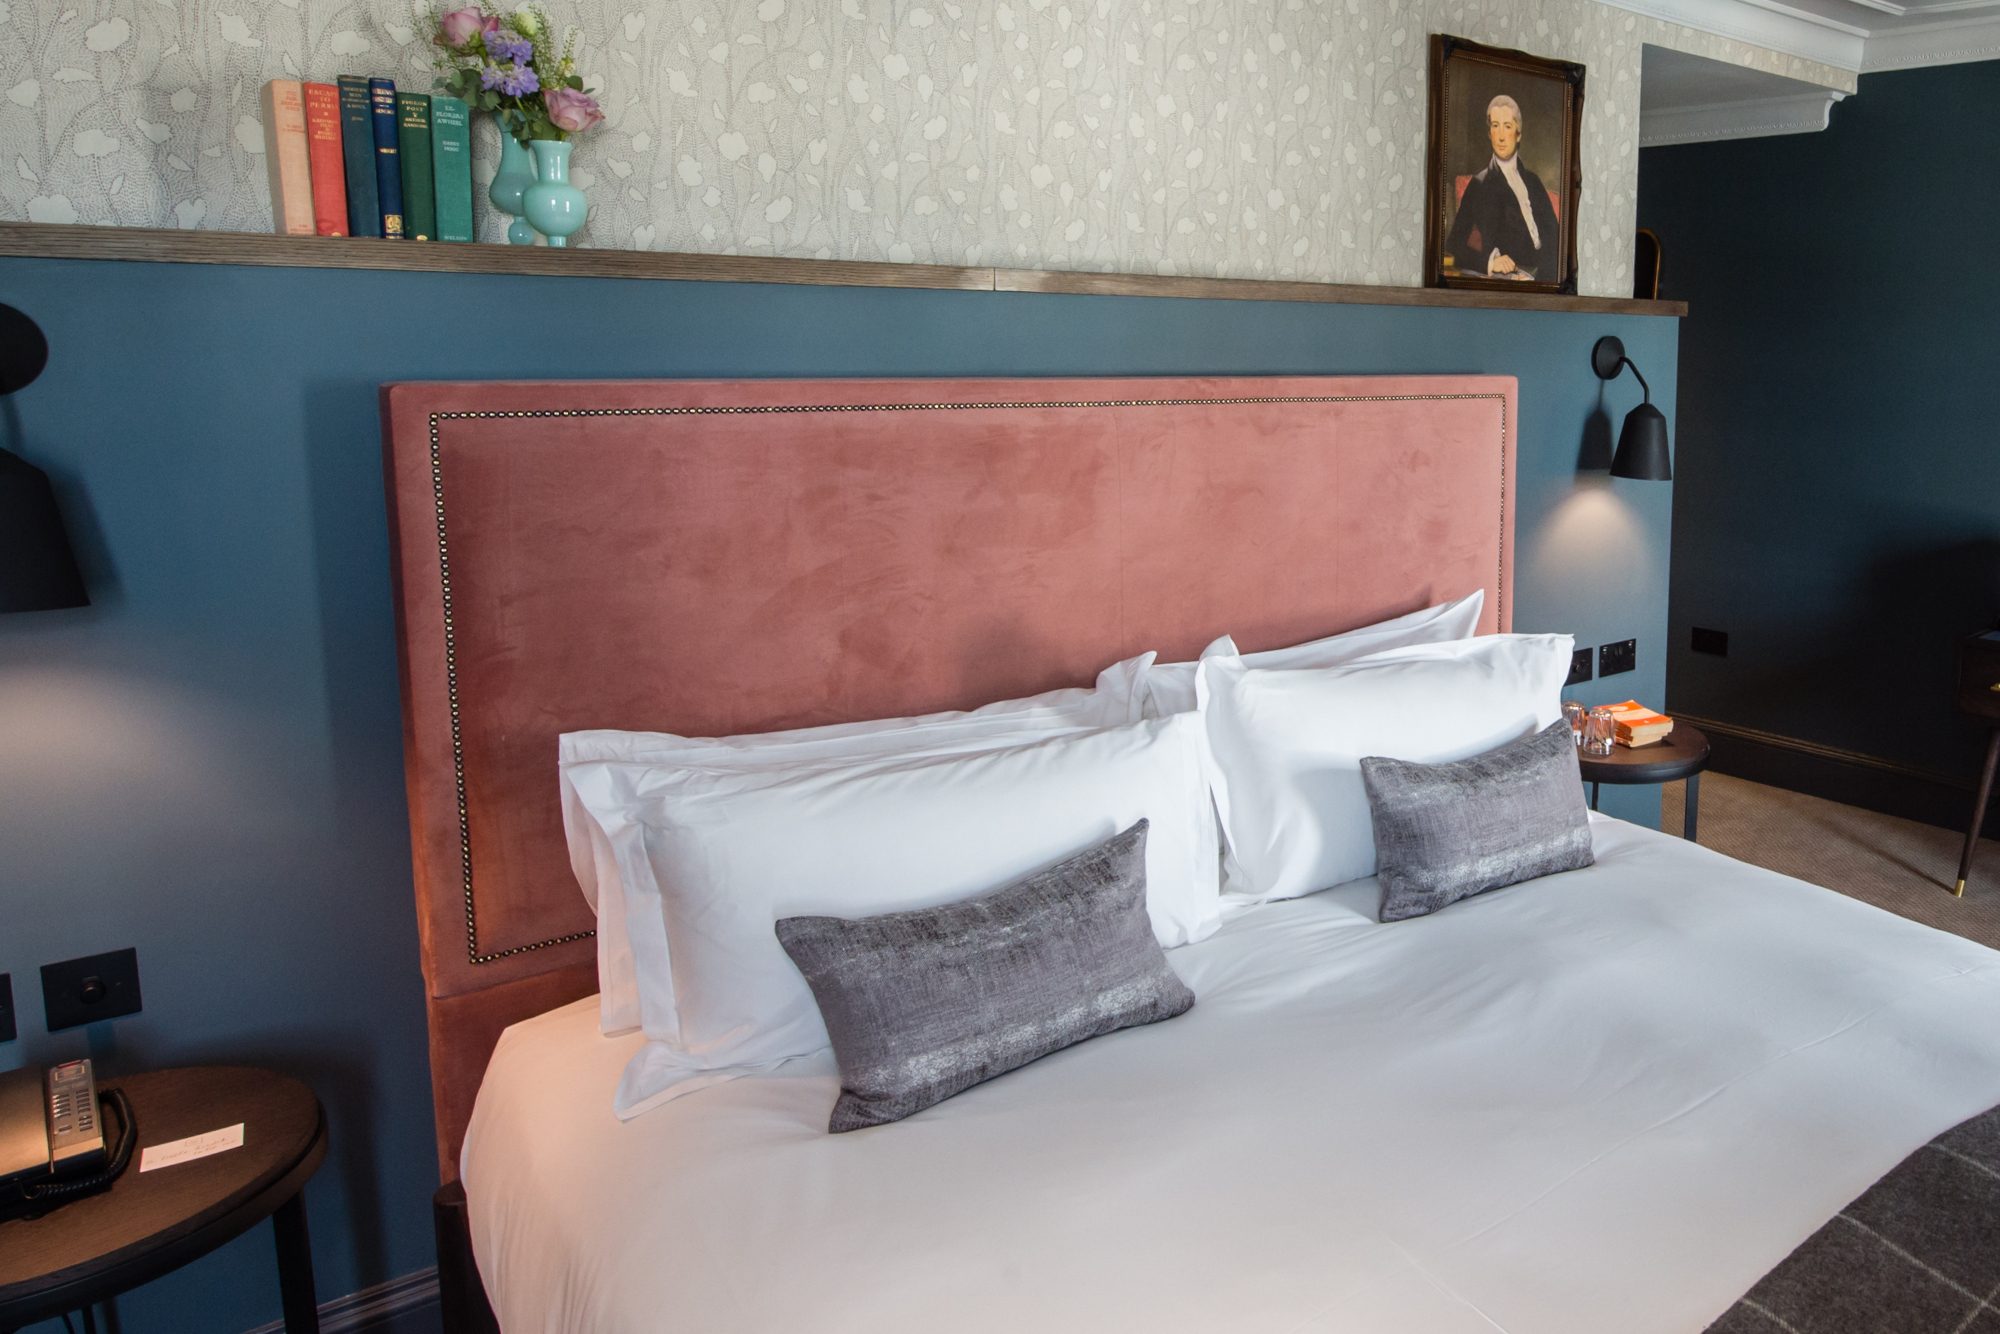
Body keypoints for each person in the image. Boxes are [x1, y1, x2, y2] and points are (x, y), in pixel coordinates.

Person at [1445, 94, 1560, 281]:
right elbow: (1453, 245)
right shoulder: (1479, 184)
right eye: (1495, 126)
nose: (1500, 136)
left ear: (1518, 134)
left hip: (1546, 277)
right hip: (1510, 279)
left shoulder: (1533, 181)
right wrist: (1490, 262)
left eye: (1507, 127)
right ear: (1489, 133)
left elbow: (1557, 241)